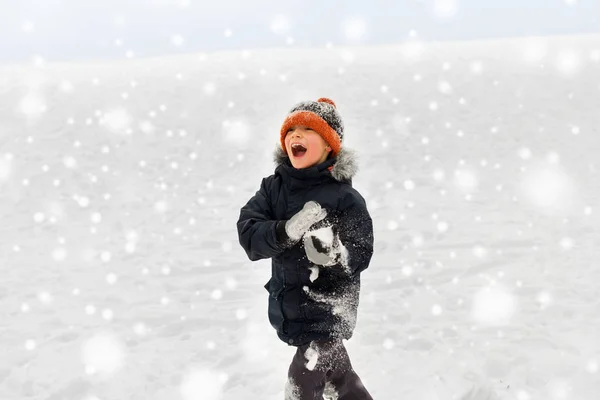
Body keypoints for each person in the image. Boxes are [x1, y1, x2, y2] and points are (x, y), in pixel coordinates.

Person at [237, 97, 375, 399]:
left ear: (329, 145)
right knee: (340, 380)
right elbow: (249, 233)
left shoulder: (344, 198)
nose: (296, 136)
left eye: (308, 130)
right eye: (291, 130)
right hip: (291, 306)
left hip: (328, 310)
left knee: (306, 374)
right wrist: (286, 230)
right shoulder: (273, 189)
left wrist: (335, 255)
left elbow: (361, 250)